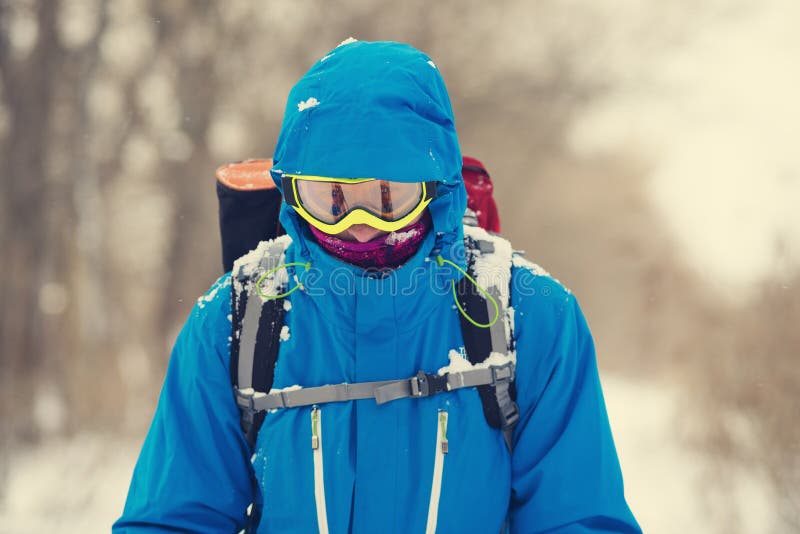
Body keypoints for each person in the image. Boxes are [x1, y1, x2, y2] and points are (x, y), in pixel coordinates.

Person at [114, 40, 641, 534]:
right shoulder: (237, 319)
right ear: (293, 193)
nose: (359, 223)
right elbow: (173, 519)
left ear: (435, 189)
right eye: (332, 199)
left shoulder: (529, 313)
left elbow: (578, 516)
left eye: (387, 197)